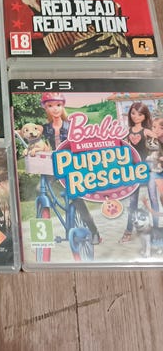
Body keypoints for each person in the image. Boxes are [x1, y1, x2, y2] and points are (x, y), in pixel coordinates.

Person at [41, 92, 101, 244]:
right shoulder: (45, 128)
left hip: (70, 166)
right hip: (53, 167)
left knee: (77, 199)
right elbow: (33, 138)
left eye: (58, 105)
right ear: (45, 108)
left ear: (63, 107)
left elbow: (81, 145)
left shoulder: (71, 126)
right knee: (39, 189)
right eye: (50, 106)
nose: (55, 109)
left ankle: (94, 232)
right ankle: (46, 224)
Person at [120, 102, 155, 242]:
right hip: (134, 170)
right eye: (133, 113)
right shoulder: (127, 132)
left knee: (153, 199)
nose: (136, 116)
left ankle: (156, 230)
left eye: (140, 114)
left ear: (145, 116)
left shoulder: (147, 132)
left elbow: (157, 147)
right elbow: (123, 150)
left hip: (148, 168)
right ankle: (128, 230)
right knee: (132, 202)